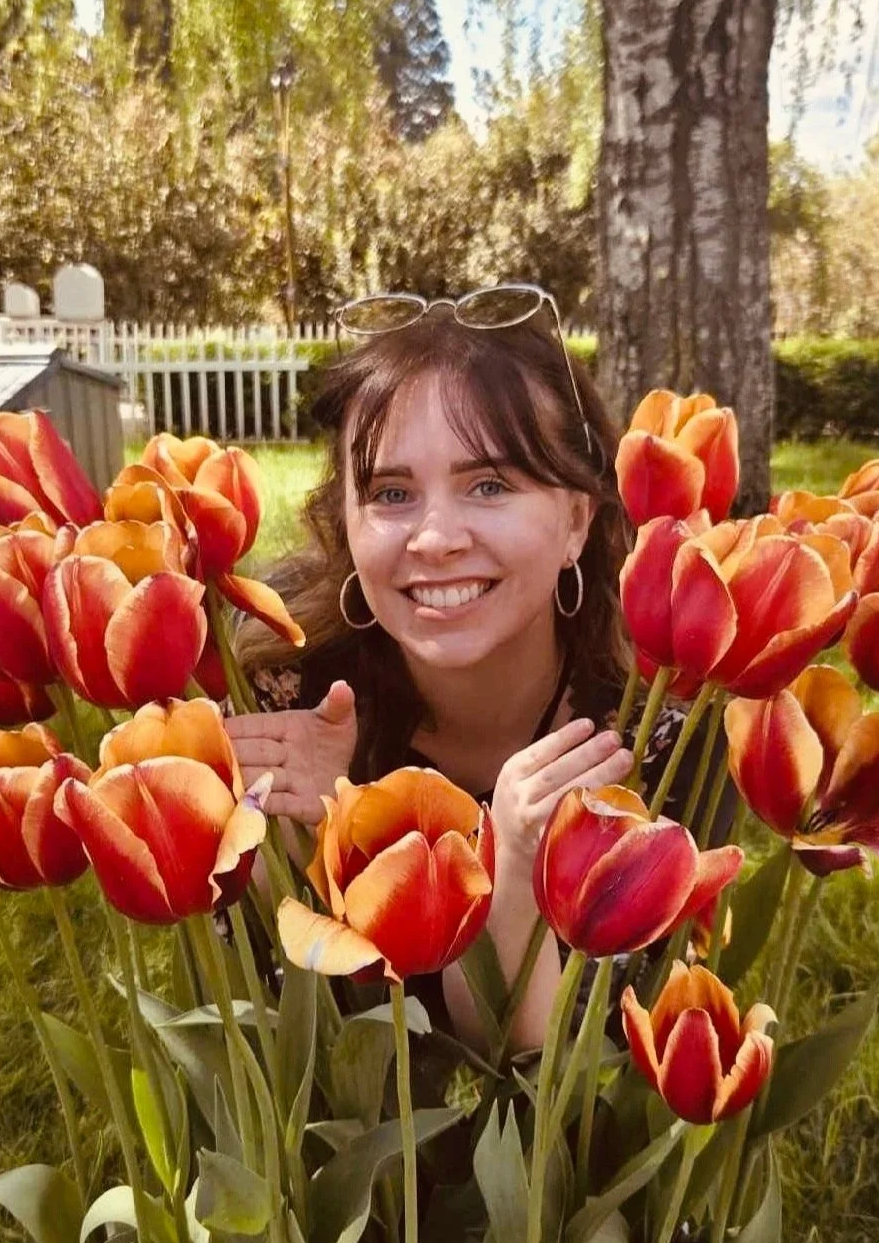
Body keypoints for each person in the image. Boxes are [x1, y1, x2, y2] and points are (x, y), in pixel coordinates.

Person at [222, 287, 727, 1054]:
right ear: (345, 524)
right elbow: (280, 1042)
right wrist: (327, 834)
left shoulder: (660, 733)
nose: (435, 538)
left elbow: (568, 1085)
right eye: (391, 493)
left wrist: (517, 867)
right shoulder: (285, 679)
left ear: (576, 520)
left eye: (489, 485)